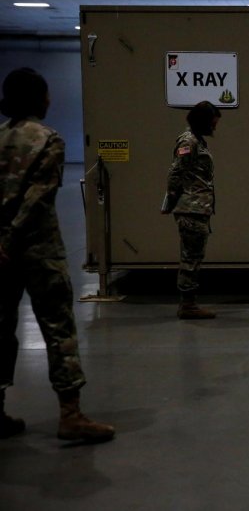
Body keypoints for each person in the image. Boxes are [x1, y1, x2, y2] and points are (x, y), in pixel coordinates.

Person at [0, 67, 115, 442]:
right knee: (58, 329)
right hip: (38, 249)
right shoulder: (48, 139)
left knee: (0, 328)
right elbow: (38, 196)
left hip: (0, 254)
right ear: (38, 98)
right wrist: (13, 236)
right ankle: (71, 414)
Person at [162, 101, 221, 320]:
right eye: (212, 124)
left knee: (194, 255)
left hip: (198, 209)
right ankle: (188, 304)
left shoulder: (197, 141)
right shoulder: (188, 142)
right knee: (191, 257)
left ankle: (189, 302)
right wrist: (170, 202)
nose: (214, 128)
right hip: (191, 209)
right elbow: (176, 173)